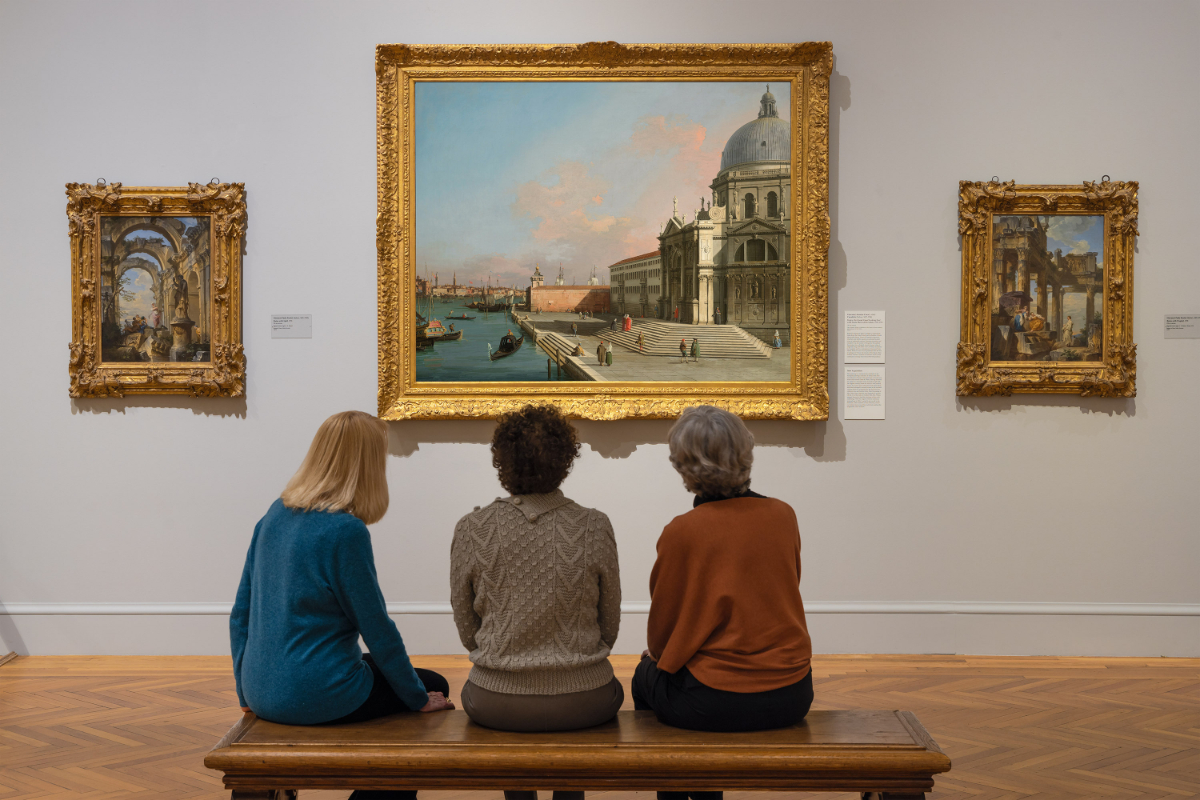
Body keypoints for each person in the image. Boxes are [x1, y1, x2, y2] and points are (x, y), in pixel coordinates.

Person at [231, 411, 453, 800]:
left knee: (394, 678)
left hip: (259, 690)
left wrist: (245, 693)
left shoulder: (274, 514)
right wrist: (418, 698)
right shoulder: (345, 531)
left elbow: (240, 617)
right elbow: (377, 629)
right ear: (367, 465)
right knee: (433, 684)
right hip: (316, 693)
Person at [633, 406, 813, 800]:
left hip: (712, 700)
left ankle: (680, 788)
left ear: (683, 465)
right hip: (792, 693)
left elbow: (662, 637)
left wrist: (659, 659)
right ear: (746, 452)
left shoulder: (682, 531)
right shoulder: (783, 515)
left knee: (644, 678)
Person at [452, 406, 622, 800]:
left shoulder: (472, 528)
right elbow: (609, 623)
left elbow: (466, 626)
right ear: (565, 460)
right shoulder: (595, 524)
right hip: (586, 697)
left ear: (502, 461)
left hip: (496, 698)